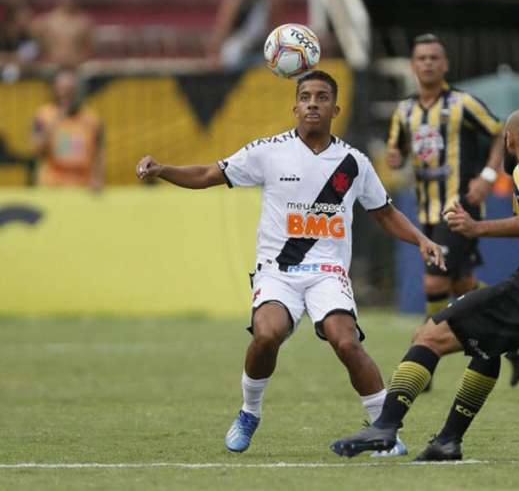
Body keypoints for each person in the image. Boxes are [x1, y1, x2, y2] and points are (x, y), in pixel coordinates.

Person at [135, 70, 445, 457]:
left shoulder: (354, 162)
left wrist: (421, 239)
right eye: (305, 97)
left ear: (336, 107)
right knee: (267, 333)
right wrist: (163, 169)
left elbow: (384, 213)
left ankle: (383, 429)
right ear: (294, 106)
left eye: (321, 97)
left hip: (327, 272)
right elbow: (207, 174)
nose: (312, 103)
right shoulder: (268, 151)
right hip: (278, 271)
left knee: (345, 340)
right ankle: (249, 412)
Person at [331, 108, 519, 461]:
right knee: (486, 348)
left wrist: (479, 228)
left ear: (509, 140)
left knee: (428, 336)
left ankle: (385, 426)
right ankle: (448, 441)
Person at [386, 33, 519, 387]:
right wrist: (395, 156)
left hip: (459, 206)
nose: (428, 63)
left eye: (435, 57)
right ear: (413, 65)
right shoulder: (403, 110)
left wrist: (489, 175)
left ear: (445, 64)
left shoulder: (463, 103)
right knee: (463, 284)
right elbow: (398, 149)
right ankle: (515, 335)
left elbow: (502, 132)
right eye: (422, 58)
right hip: (426, 211)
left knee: (435, 279)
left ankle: (425, 352)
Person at [32, 68, 104, 190]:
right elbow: (36, 151)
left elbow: (98, 154)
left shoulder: (92, 119)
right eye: (62, 89)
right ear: (54, 90)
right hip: (52, 186)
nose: (66, 94)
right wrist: (54, 123)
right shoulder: (44, 116)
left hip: (82, 186)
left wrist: (98, 179)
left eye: (70, 90)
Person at [208, 0, 273, 69]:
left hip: (258, 48)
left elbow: (272, 28)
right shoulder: (235, 2)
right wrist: (214, 51)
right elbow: (224, 27)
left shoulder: (266, 2)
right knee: (231, 58)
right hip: (237, 46)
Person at [29, 0, 93, 68]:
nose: (69, 2)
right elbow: (36, 45)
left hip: (75, 67)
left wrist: (74, 61)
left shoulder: (84, 23)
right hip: (52, 66)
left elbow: (88, 50)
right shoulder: (46, 21)